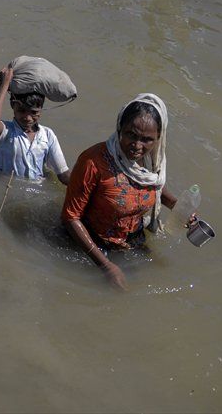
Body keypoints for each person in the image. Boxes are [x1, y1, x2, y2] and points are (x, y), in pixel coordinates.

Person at [62, 94, 189, 290]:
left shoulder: (151, 163)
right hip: (94, 243)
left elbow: (154, 187)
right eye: (131, 135)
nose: (137, 146)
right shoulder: (92, 162)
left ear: (158, 139)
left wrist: (179, 207)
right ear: (119, 128)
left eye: (147, 140)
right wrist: (105, 266)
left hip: (133, 237)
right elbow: (70, 217)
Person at [0, 65, 70, 184]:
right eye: (21, 111)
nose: (28, 118)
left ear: (41, 110)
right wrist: (4, 85)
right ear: (12, 106)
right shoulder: (7, 132)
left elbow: (63, 174)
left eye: (34, 112)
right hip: (7, 188)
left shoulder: (47, 135)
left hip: (37, 189)